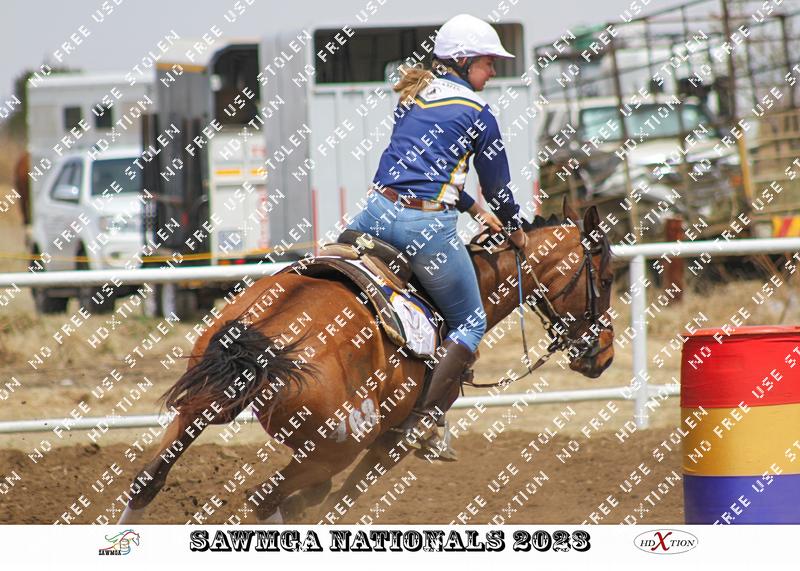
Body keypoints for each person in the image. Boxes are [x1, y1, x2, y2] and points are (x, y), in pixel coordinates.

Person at [347, 14, 527, 460]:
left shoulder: (415, 96)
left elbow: (417, 171)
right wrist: (515, 227)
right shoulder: (479, 113)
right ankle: (423, 419)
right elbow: (499, 188)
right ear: (464, 62)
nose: (493, 71)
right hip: (423, 227)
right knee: (470, 322)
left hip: (373, 215)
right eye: (488, 62)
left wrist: (472, 208)